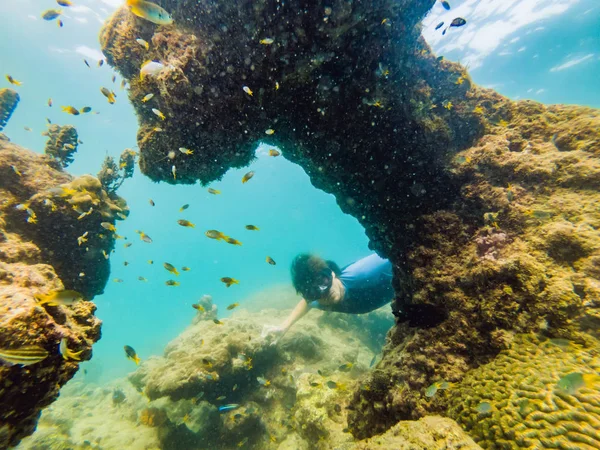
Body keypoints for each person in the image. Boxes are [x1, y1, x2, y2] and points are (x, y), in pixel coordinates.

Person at [262, 253, 395, 344]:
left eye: (323, 282)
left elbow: (395, 253)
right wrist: (284, 327)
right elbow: (306, 303)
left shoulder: (362, 273)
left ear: (331, 273)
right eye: (312, 292)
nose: (324, 294)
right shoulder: (319, 301)